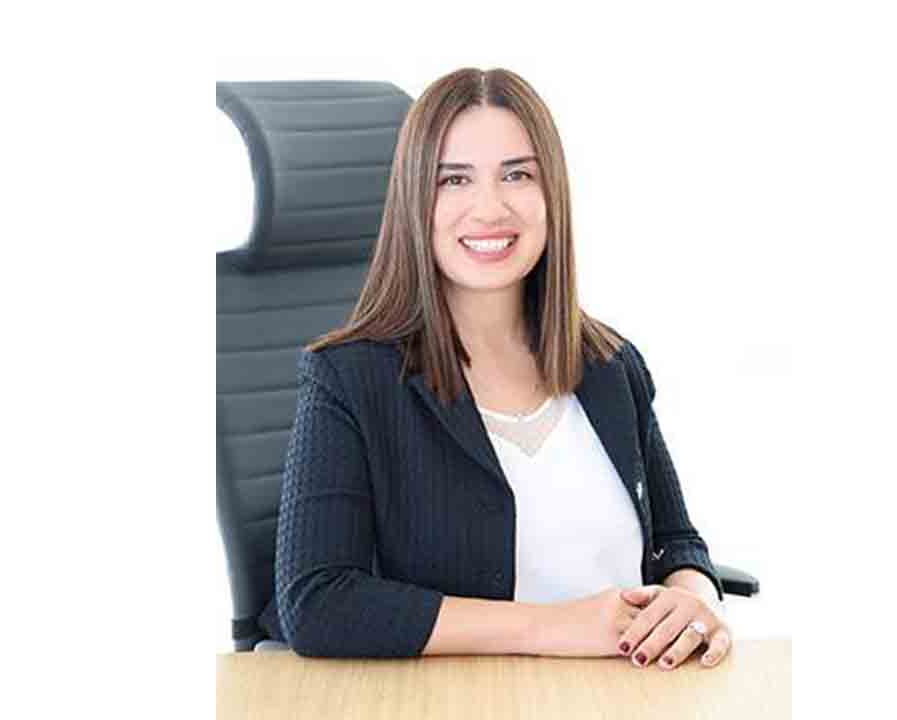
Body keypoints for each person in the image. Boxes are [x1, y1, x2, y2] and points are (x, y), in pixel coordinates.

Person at [257, 67, 732, 671]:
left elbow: (676, 542)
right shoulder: (349, 379)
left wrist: (693, 599)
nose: (489, 208)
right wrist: (557, 626)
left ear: (551, 193)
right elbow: (318, 603)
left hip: (627, 698)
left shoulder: (610, 366)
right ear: (415, 201)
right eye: (454, 179)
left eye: (517, 174)